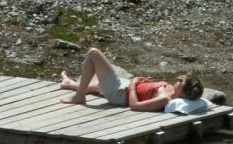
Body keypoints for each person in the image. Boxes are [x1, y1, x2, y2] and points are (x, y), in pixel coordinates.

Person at [60, 48, 203, 112]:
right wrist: (145, 82)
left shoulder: (164, 99)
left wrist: (134, 84)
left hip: (120, 93)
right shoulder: (171, 91)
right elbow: (149, 91)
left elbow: (135, 106)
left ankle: (79, 96)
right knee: (98, 86)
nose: (178, 79)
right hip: (125, 87)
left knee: (93, 54)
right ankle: (70, 84)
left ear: (181, 89)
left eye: (181, 81)